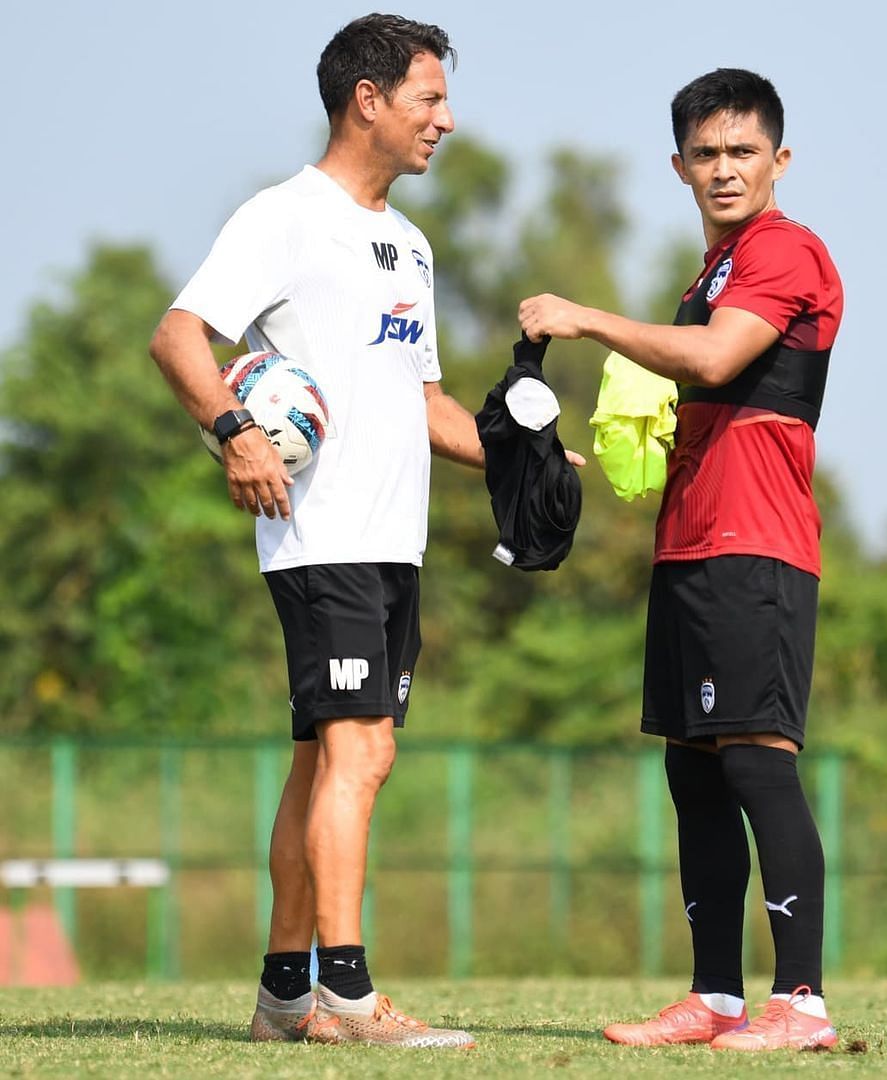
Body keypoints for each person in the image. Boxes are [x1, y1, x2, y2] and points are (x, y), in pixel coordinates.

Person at [149, 14, 484, 1049]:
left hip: (396, 541)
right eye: (429, 98)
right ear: (368, 99)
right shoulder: (284, 217)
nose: (446, 119)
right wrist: (235, 431)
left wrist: (521, 465)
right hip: (321, 534)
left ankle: (284, 996)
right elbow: (177, 336)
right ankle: (348, 991)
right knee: (363, 750)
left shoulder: (412, 245)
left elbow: (423, 402)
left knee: (323, 764)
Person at [519, 68, 843, 1053]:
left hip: (759, 548)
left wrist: (584, 319)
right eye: (704, 153)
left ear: (779, 161)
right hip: (691, 547)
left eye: (743, 151)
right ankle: (716, 998)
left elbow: (709, 362)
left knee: (756, 764)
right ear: (678, 165)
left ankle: (802, 1005)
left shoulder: (786, 252)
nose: (723, 169)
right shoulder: (707, 277)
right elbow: (689, 391)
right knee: (695, 777)